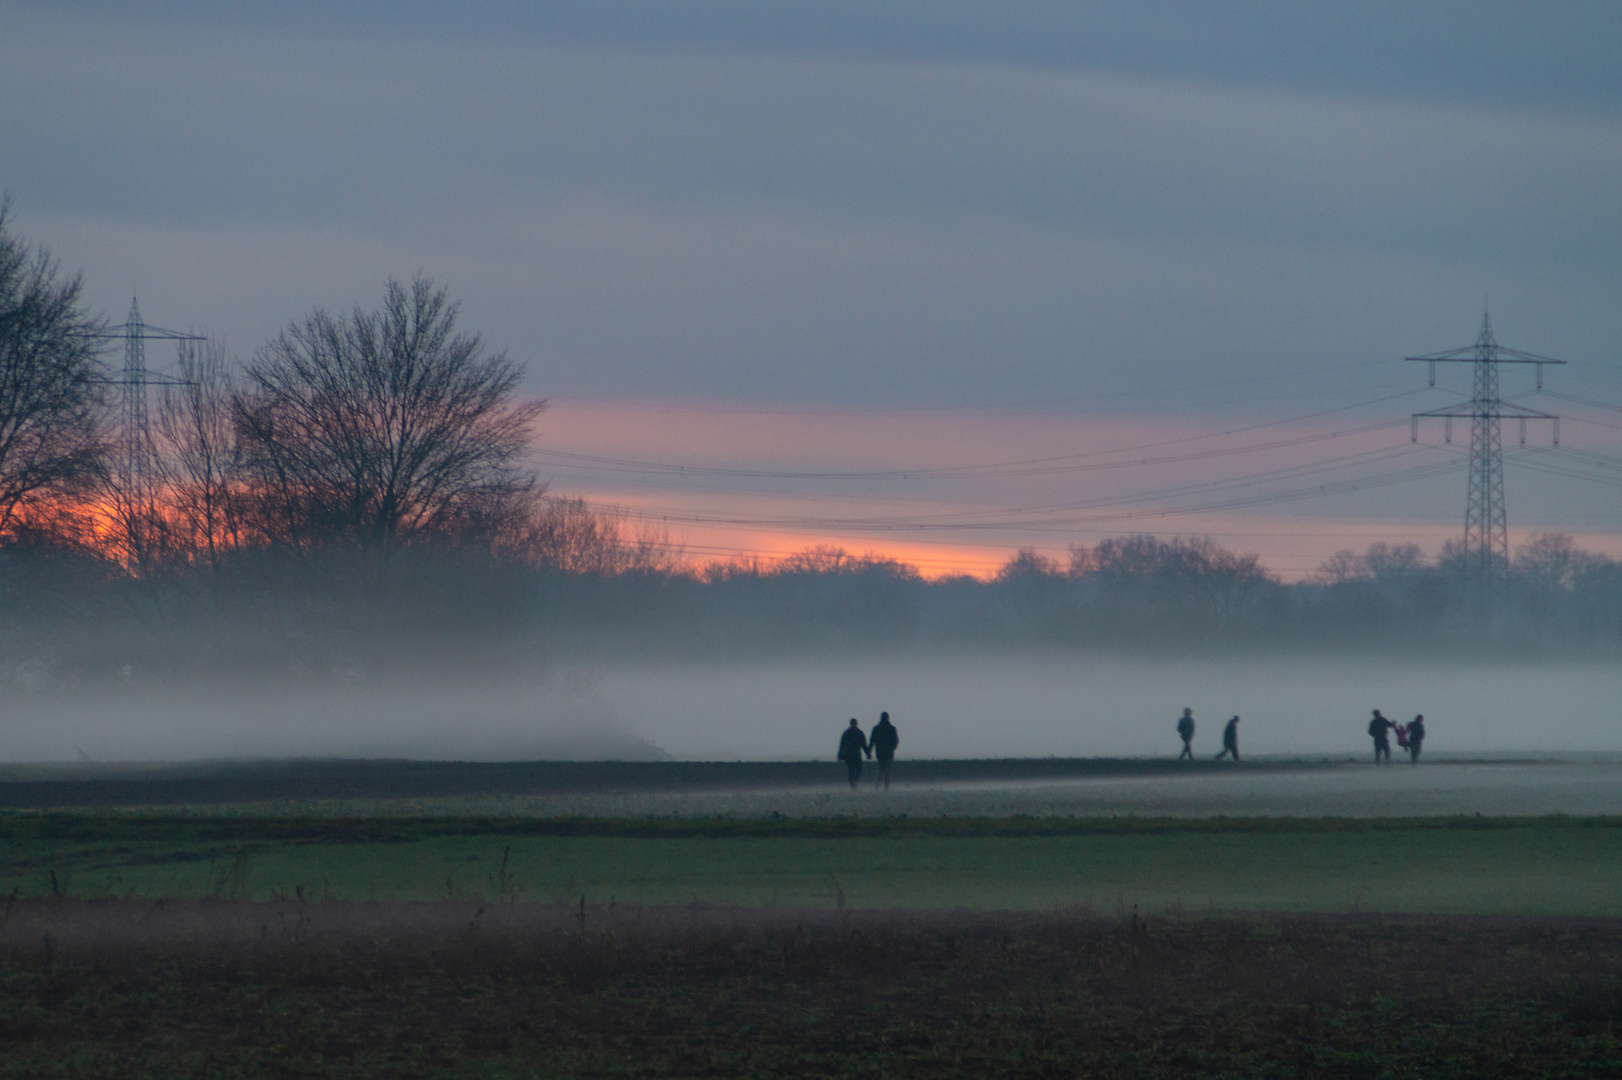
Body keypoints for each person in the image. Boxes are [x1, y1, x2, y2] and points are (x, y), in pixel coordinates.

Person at [837, 718, 870, 789]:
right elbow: (842, 745)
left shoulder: (847, 733)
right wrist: (868, 754)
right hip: (853, 756)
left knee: (856, 771)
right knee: (854, 771)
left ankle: (854, 783)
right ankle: (854, 784)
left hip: (852, 756)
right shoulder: (857, 733)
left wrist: (868, 753)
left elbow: (863, 745)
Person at [870, 711, 899, 789]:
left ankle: (877, 786)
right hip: (889, 753)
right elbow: (896, 741)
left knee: (880, 770)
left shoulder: (876, 729)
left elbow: (872, 741)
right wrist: (892, 749)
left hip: (879, 753)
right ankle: (886, 787)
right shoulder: (892, 729)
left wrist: (869, 752)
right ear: (888, 718)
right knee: (887, 771)